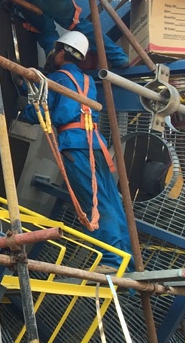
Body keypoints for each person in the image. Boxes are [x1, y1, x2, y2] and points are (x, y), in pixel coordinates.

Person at [17, 30, 132, 272]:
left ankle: (111, 261)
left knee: (94, 203)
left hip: (75, 145)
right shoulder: (88, 81)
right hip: (96, 144)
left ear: (61, 53)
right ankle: (126, 263)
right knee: (111, 201)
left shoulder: (56, 78)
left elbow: (43, 110)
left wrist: (22, 112)